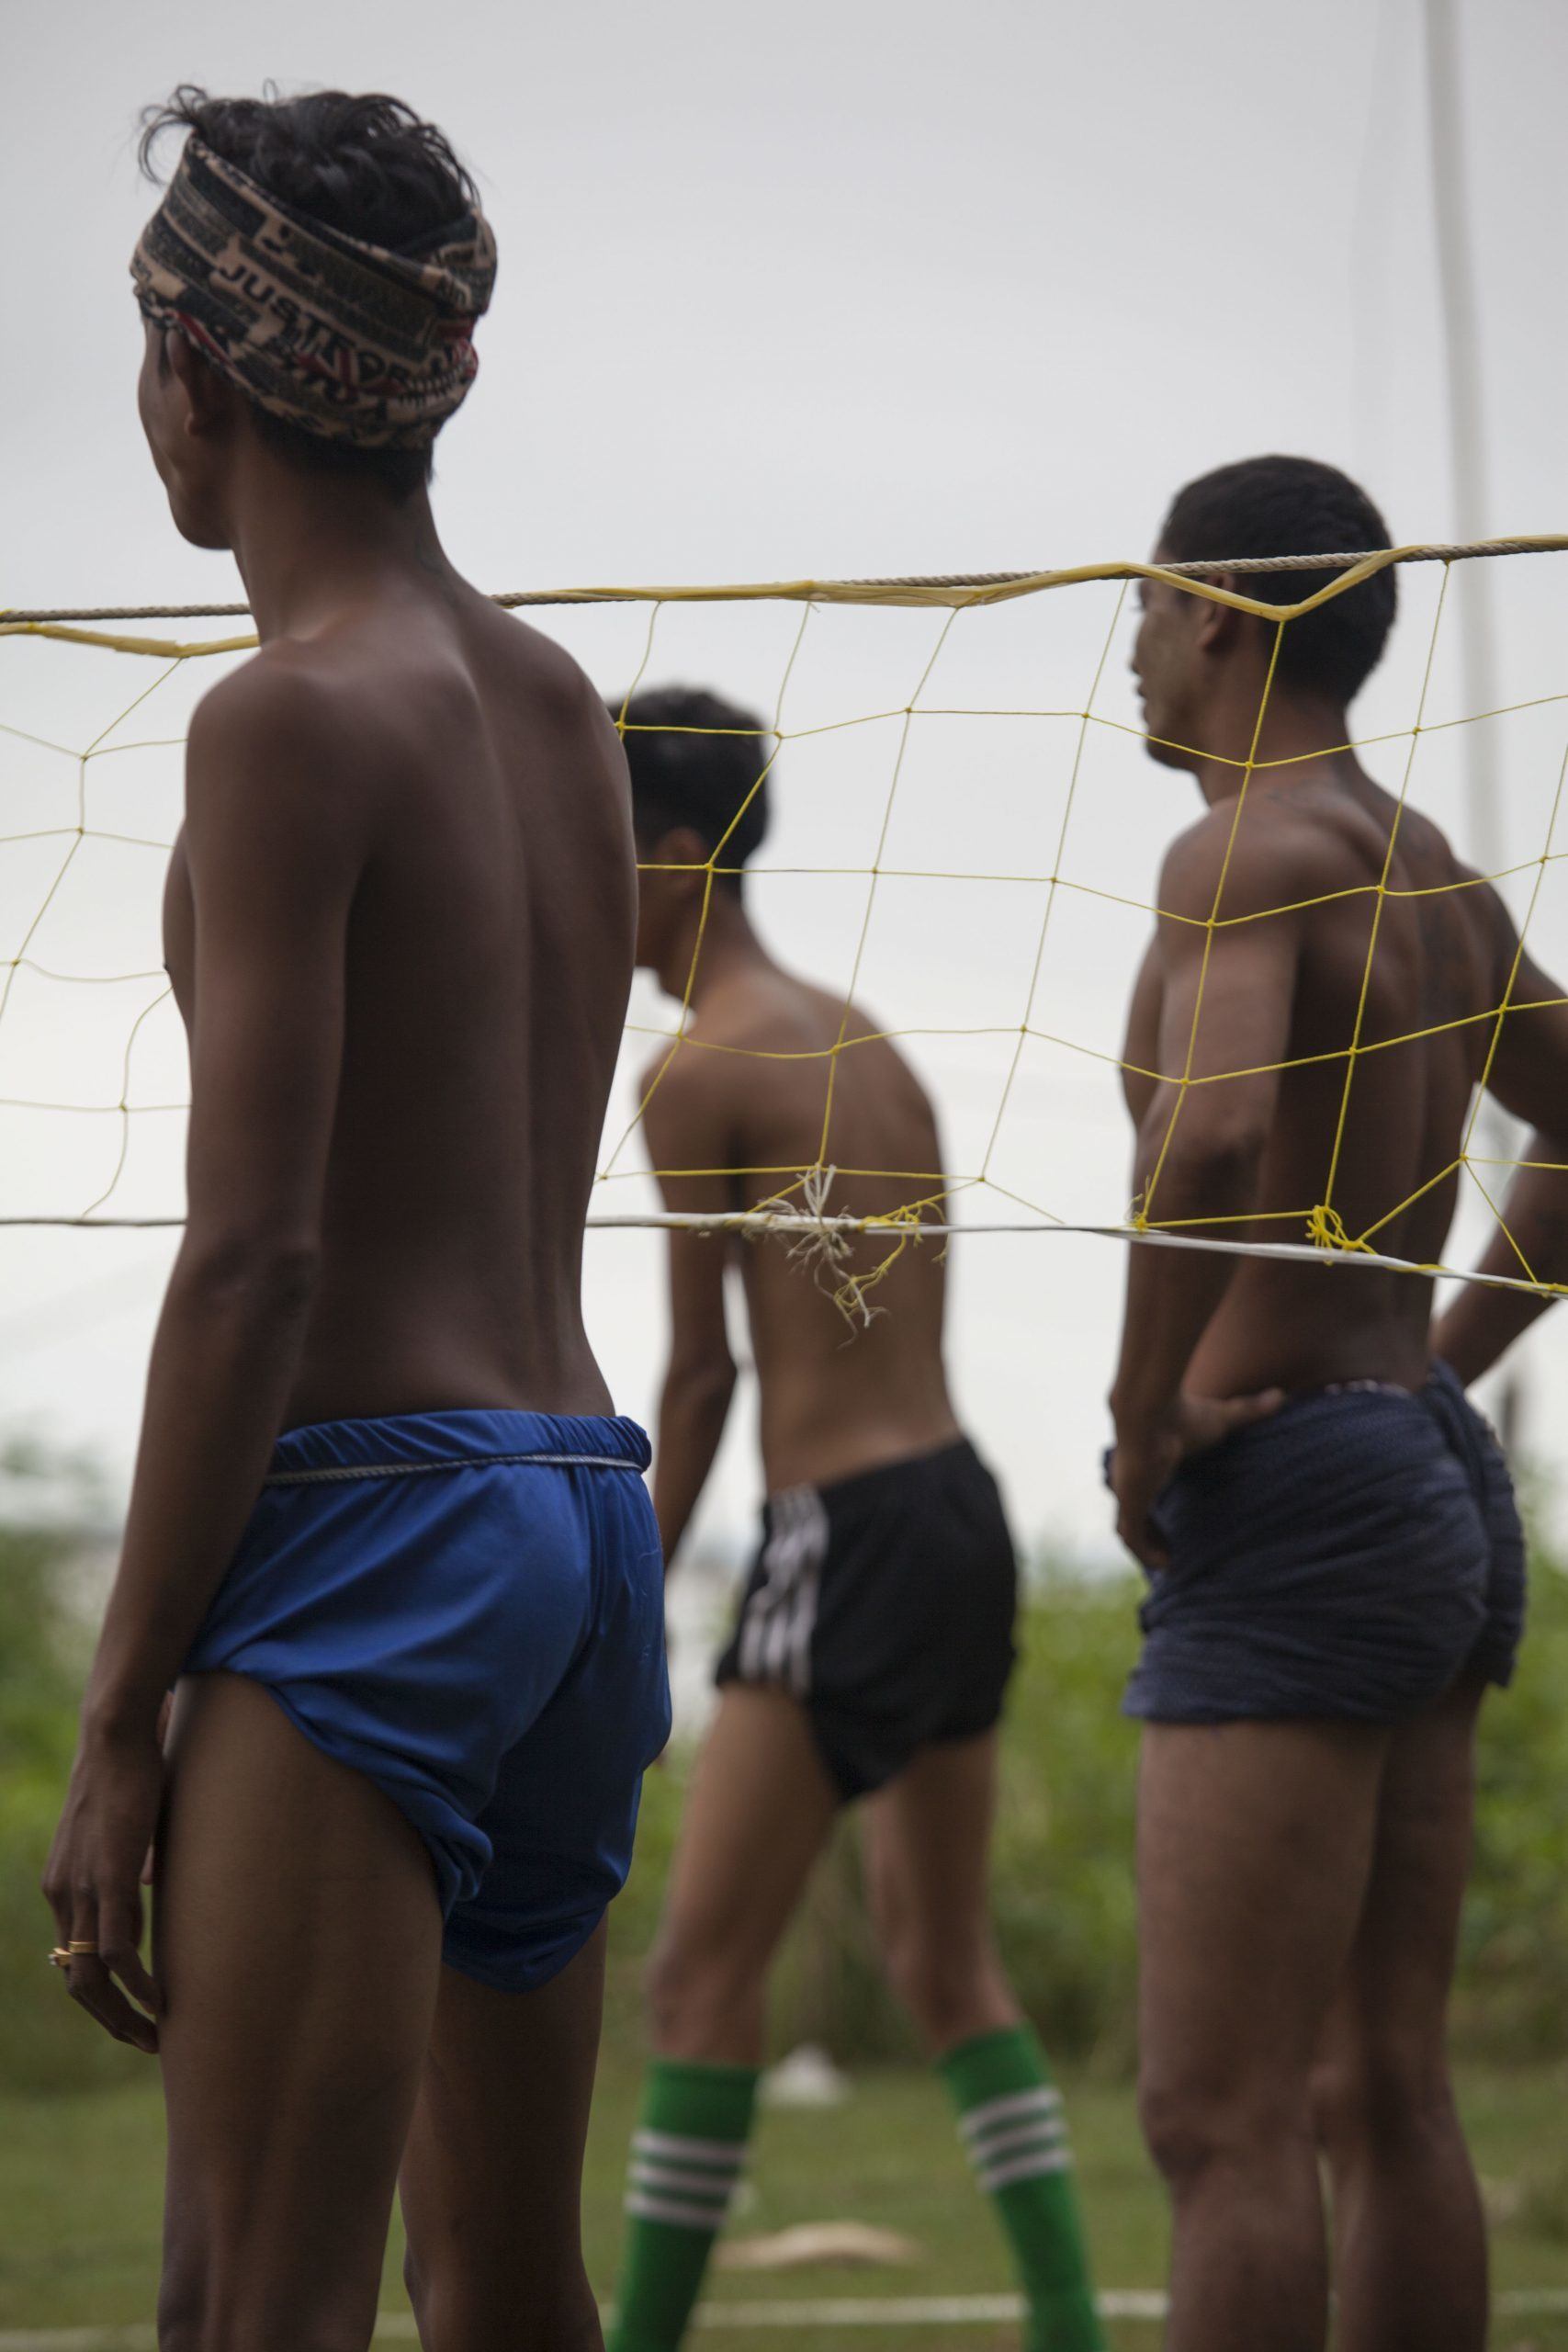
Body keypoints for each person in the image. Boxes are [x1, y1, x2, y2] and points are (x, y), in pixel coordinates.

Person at [43, 89, 669, 2352]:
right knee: (508, 2283)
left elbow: (259, 1257)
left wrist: (124, 1715)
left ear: (195, 371)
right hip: (578, 1518)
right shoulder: (553, 709)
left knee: (252, 2300)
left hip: (371, 1535)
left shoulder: (286, 719)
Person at [1110, 452, 1561, 2352]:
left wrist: (1143, 1409)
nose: (1128, 648)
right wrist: (1434, 1369)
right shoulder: (1434, 877)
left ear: (1216, 608)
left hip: (1295, 1478)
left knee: (1218, 2117)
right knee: (1376, 2087)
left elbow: (1210, 1134)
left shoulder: (1239, 848)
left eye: (1139, 604)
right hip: (1418, 1474)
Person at [604, 685, 1103, 2352]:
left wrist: (624, 1596)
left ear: (674, 857)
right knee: (941, 1962)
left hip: (849, 1529)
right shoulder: (862, 1037)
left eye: (595, 840)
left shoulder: (698, 1069)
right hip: (961, 1511)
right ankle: (1073, 2332)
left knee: (693, 1980)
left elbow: (697, 1383)